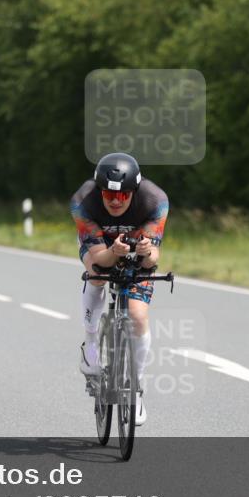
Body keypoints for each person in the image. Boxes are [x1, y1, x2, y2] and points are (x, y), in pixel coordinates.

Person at [70, 152, 168, 426]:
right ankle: (91, 346)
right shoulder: (83, 201)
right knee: (96, 275)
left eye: (123, 195)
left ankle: (136, 389)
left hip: (137, 250)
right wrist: (113, 252)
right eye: (109, 194)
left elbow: (152, 260)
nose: (115, 201)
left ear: (134, 192)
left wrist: (146, 252)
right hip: (101, 248)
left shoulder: (154, 200)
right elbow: (99, 259)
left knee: (137, 316)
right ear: (99, 190)